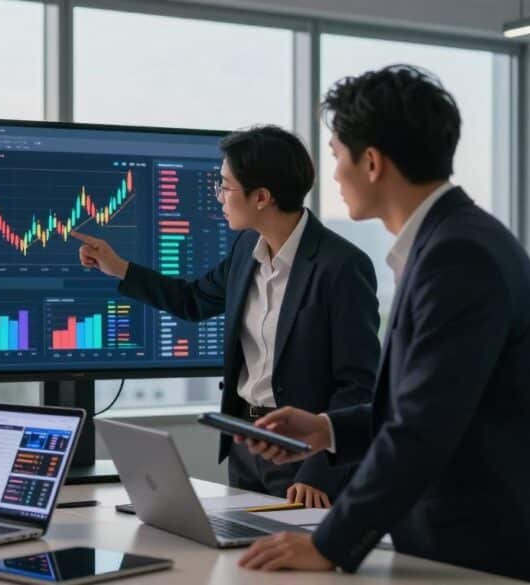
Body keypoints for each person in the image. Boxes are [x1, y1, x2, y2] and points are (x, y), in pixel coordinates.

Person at [237, 65, 530, 585]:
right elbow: (423, 403)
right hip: (466, 545)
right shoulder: (446, 243)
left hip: (499, 554)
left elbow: (423, 428)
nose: (333, 175)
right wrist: (327, 429)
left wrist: (328, 544)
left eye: (337, 155)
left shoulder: (458, 255)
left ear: (371, 163)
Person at [72, 125, 380, 507]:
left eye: (225, 186)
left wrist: (319, 470)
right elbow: (193, 300)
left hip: (303, 460)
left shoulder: (342, 266)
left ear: (262, 197)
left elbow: (357, 383)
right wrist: (119, 268)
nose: (218, 196)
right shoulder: (246, 248)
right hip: (245, 446)